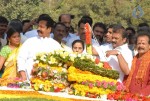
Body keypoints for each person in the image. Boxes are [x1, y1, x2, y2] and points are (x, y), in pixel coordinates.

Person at [17, 15, 62, 81]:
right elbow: (21, 58)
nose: (38, 29)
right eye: (38, 26)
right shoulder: (29, 41)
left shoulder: (56, 45)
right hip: (28, 80)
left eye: (42, 27)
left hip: (48, 82)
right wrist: (23, 75)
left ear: (49, 29)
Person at [125, 31, 150, 96]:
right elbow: (127, 76)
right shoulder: (133, 59)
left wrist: (140, 94)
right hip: (127, 95)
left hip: (142, 97)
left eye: (143, 43)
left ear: (149, 46)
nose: (140, 46)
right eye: (139, 43)